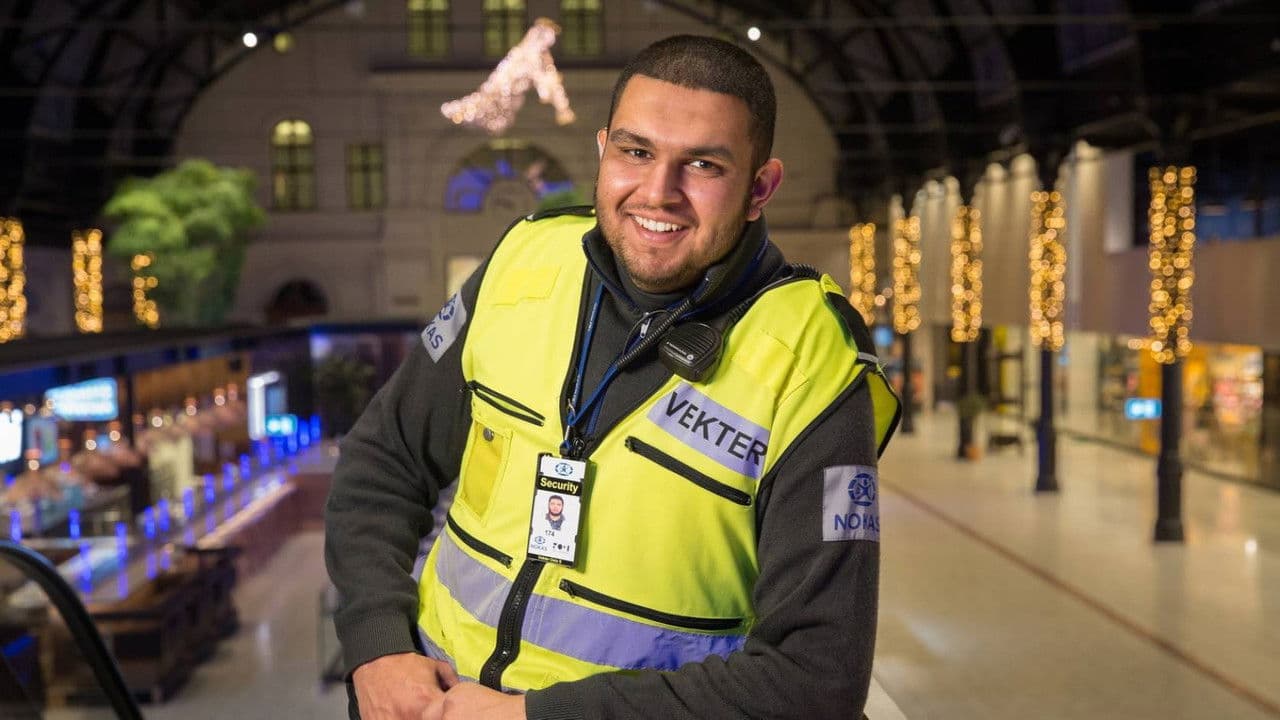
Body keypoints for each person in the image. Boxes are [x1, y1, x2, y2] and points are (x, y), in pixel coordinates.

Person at [324, 34, 899, 720]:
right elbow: (384, 459)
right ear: (603, 151)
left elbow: (817, 677)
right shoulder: (524, 261)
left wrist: (530, 717)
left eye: (704, 165)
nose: (658, 193)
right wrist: (377, 645)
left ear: (759, 188)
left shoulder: (810, 357)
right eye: (636, 152)